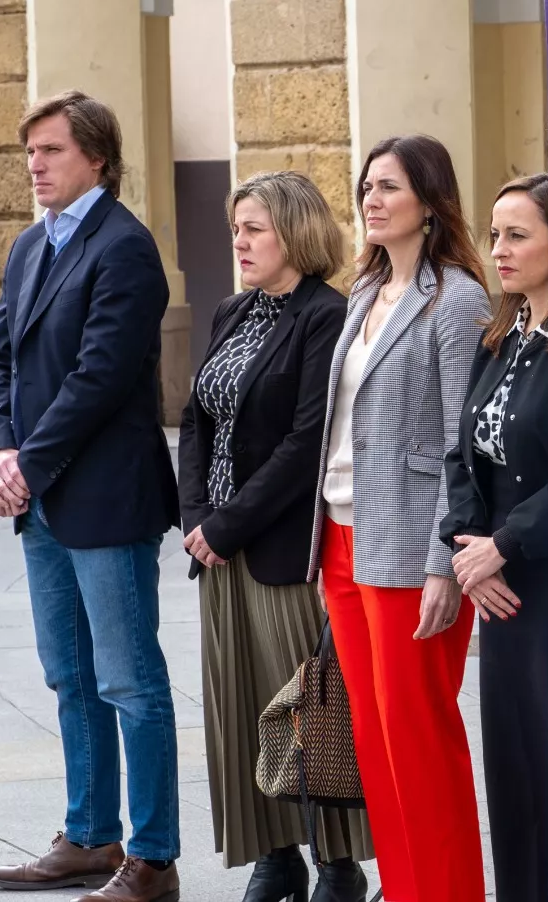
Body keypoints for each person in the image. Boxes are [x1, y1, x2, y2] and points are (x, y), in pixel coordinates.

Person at [0, 91, 181, 902]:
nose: (36, 165)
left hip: (106, 499)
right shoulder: (32, 246)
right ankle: (90, 836)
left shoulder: (124, 248)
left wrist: (31, 462)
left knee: (129, 681)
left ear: (98, 158)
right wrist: (0, 448)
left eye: (52, 151)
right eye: (31, 152)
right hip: (44, 503)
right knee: (68, 674)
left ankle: (154, 857)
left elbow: (99, 376)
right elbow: (1, 358)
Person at [176, 171, 372, 901]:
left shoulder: (327, 315)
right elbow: (195, 419)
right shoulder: (232, 310)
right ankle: (275, 855)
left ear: (294, 231)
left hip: (281, 549)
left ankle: (337, 864)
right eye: (236, 227)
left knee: (306, 708)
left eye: (254, 227)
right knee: (238, 707)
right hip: (216, 550)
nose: (239, 240)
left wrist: (228, 524)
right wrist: (197, 517)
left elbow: (306, 440)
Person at [307, 134, 491, 902]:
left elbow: (461, 441)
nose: (371, 200)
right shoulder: (363, 293)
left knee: (420, 740)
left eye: (388, 187)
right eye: (367, 187)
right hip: (345, 534)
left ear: (429, 201)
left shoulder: (456, 299)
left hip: (412, 544)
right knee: (378, 747)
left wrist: (443, 563)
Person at [443, 174, 548, 902]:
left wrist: (505, 544)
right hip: (497, 588)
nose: (498, 250)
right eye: (494, 234)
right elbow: (462, 452)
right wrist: (468, 547)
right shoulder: (501, 334)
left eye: (517, 234)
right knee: (510, 768)